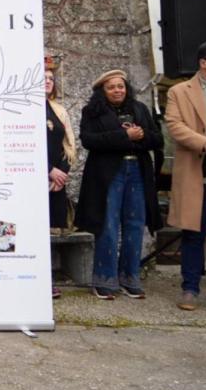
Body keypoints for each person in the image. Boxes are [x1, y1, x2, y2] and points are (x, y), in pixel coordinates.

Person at [76, 69, 162, 300]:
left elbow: (157, 139)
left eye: (121, 86)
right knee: (108, 224)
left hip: (137, 170)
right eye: (111, 87)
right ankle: (104, 280)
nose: (117, 90)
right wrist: (124, 137)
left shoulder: (140, 110)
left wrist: (141, 135)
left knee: (135, 223)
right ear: (103, 91)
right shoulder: (92, 112)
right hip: (107, 174)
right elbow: (89, 140)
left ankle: (129, 277)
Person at [164, 41, 206, 311]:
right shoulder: (179, 91)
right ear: (204, 62)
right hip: (196, 172)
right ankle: (190, 288)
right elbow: (174, 125)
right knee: (193, 233)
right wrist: (204, 142)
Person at [45, 57, 76, 299]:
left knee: (49, 230)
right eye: (42, 77)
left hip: (56, 181)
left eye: (51, 78)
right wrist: (47, 170)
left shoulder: (59, 110)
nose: (47, 81)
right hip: (35, 177)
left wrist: (61, 173)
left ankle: (49, 279)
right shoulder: (25, 109)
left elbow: (68, 144)